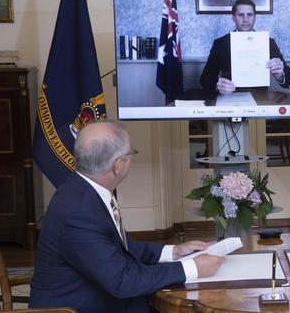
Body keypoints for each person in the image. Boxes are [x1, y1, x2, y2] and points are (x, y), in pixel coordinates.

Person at [30, 120, 223, 312]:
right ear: (117, 166)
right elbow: (124, 281)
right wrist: (191, 268)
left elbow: (117, 247)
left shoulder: (83, 190)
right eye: (129, 155)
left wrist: (173, 252)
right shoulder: (79, 213)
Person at [200, 0, 290, 95]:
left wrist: (280, 74)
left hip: (260, 98)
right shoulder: (220, 43)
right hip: (229, 98)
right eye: (240, 15)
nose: (245, 20)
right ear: (233, 17)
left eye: (250, 15)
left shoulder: (268, 42)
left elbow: (289, 79)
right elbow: (204, 78)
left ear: (255, 17)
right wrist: (216, 85)